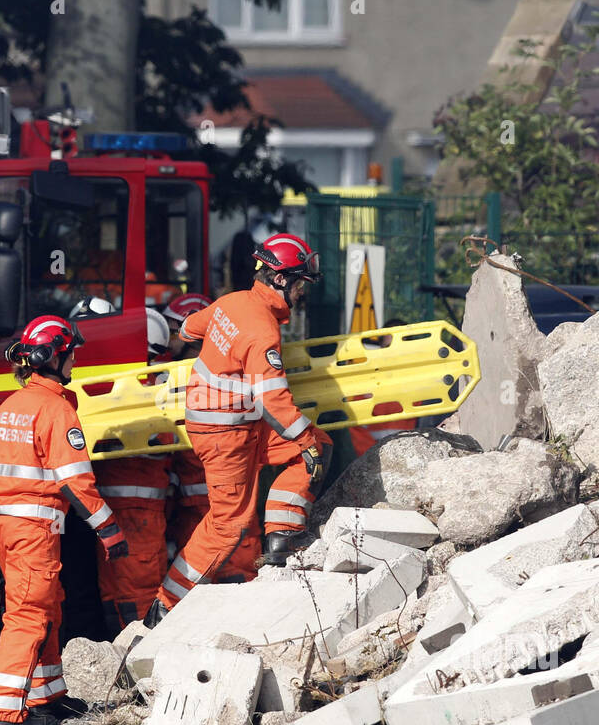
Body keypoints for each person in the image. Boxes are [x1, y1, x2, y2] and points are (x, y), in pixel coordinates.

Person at [148, 233, 334, 625]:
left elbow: (187, 330)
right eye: (299, 284)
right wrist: (302, 440)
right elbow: (272, 399)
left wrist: (307, 442)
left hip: (233, 424)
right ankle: (165, 608)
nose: (301, 294)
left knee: (318, 443)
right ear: (281, 280)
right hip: (226, 434)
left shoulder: (232, 302)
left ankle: (281, 545)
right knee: (227, 525)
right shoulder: (262, 329)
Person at [0, 315, 128, 725]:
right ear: (51, 357)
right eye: (70, 352)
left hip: (5, 524)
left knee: (47, 606)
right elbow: (76, 482)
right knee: (28, 614)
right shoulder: (56, 409)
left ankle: (47, 696)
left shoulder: (8, 407)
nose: (75, 357)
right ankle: (6, 718)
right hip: (33, 525)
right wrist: (109, 530)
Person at [161, 292, 262, 582]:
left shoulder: (210, 379)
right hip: (199, 514)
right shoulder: (185, 374)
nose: (171, 339)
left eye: (173, 330)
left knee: (234, 588)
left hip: (225, 511)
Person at [92, 309, 174, 634]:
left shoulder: (146, 385)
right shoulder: (148, 383)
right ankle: (125, 656)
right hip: (127, 511)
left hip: (135, 512)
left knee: (133, 593)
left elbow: (164, 437)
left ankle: (137, 657)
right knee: (119, 592)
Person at [348, 319, 419, 456]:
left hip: (415, 456)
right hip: (376, 461)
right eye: (388, 347)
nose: (393, 353)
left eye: (399, 347)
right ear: (380, 347)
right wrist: (372, 460)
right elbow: (358, 427)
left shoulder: (420, 380)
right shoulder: (367, 382)